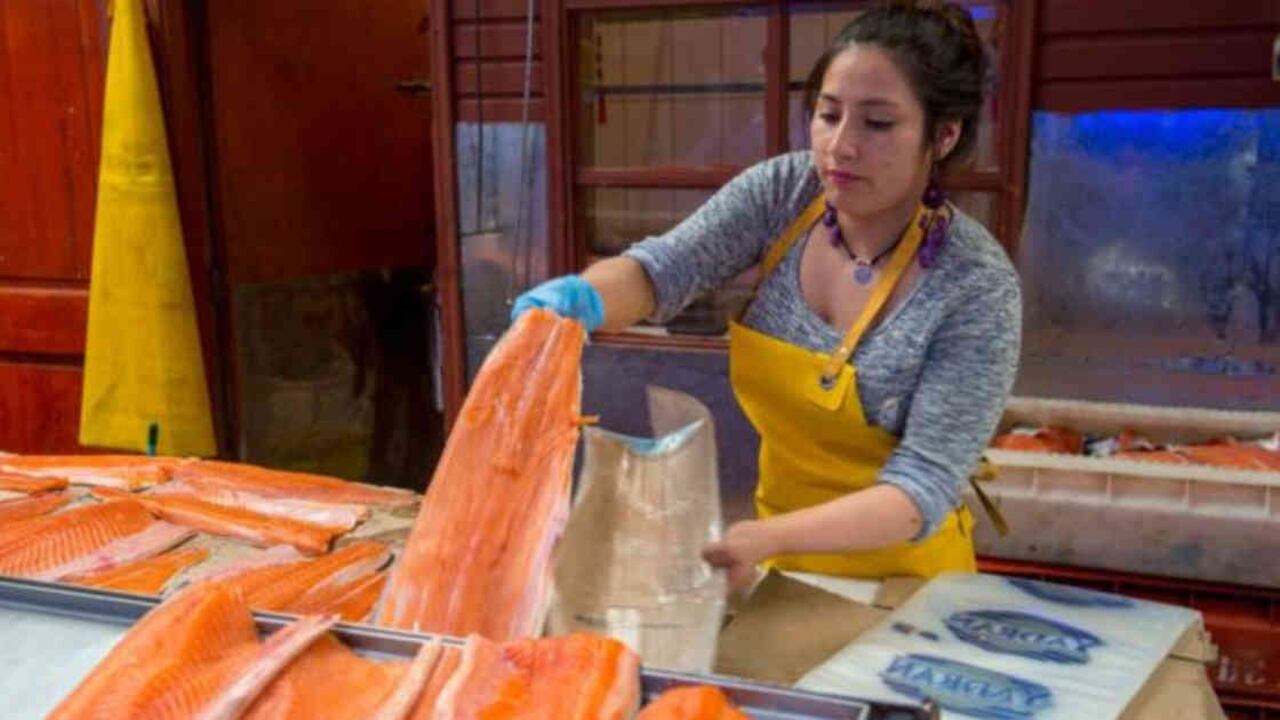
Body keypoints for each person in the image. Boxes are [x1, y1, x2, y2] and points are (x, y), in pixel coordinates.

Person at [513, 0, 1021, 591]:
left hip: (907, 588)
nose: (841, 146)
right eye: (828, 115)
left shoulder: (977, 286)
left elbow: (922, 489)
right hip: (777, 572)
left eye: (877, 124)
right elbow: (664, 270)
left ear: (944, 135)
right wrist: (577, 301)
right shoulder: (785, 192)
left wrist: (768, 537)